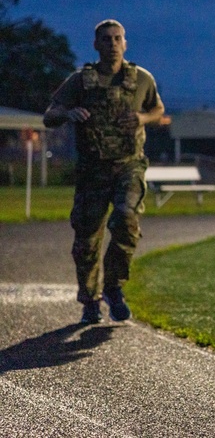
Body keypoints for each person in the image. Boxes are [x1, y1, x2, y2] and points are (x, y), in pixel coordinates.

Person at [43, 19, 165, 325]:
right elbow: (50, 114)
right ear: (96, 44)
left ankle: (113, 287)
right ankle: (90, 300)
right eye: (106, 39)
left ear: (125, 43)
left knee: (126, 219)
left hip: (129, 164)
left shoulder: (142, 80)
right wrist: (68, 113)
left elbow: (158, 111)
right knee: (87, 240)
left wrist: (142, 117)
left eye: (117, 38)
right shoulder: (80, 81)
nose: (112, 43)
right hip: (92, 171)